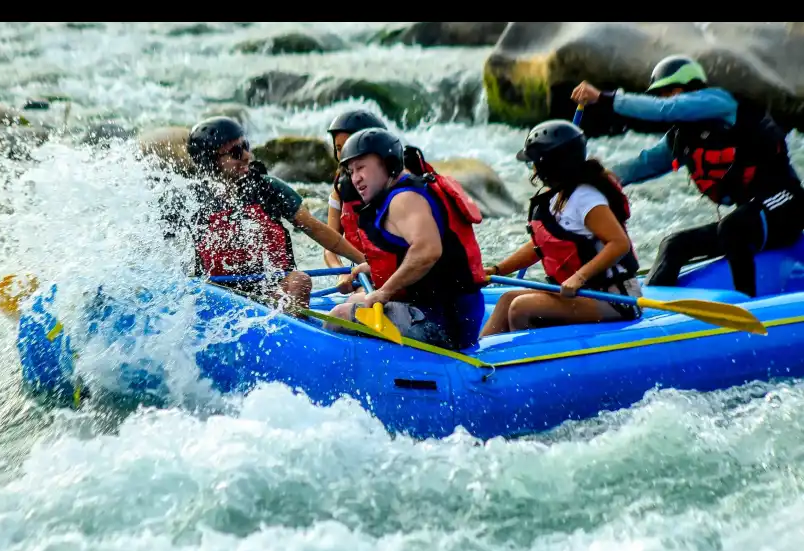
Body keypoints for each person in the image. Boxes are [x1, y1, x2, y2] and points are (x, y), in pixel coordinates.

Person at [571, 54, 804, 297]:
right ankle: (646, 310)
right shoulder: (682, 138)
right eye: (661, 95)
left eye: (670, 91)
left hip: (788, 206)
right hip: (750, 220)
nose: (665, 99)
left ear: (692, 87)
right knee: (674, 245)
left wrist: (604, 98)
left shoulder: (721, 103)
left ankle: (747, 304)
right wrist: (593, 179)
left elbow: (666, 110)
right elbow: (644, 164)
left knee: (733, 227)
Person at [323, 127, 488, 350]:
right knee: (354, 302)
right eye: (351, 171)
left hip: (445, 322)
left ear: (388, 163)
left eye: (361, 167)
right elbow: (424, 259)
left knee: (339, 315)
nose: (355, 179)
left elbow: (427, 251)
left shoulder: (404, 199)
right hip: (447, 313)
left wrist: (385, 291)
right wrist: (375, 270)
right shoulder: (405, 192)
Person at [480, 119, 643, 336]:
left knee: (521, 307)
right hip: (582, 294)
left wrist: (579, 277)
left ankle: (524, 365)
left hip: (615, 297)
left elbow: (619, 243)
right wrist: (497, 270)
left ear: (549, 165)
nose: (533, 170)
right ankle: (479, 359)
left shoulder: (585, 198)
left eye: (533, 163)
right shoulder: (559, 196)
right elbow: (541, 245)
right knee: (507, 299)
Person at [184, 116, 365, 310]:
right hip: (216, 292)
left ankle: (290, 325)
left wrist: (365, 262)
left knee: (299, 281)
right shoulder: (192, 201)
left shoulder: (268, 189)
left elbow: (316, 229)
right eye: (236, 152)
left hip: (270, 288)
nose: (246, 156)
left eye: (246, 146)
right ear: (210, 161)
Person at [323, 109, 390, 294]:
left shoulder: (396, 188)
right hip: (363, 276)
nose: (345, 154)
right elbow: (330, 246)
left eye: (353, 146)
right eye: (339, 148)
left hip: (392, 275)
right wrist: (341, 274)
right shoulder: (340, 189)